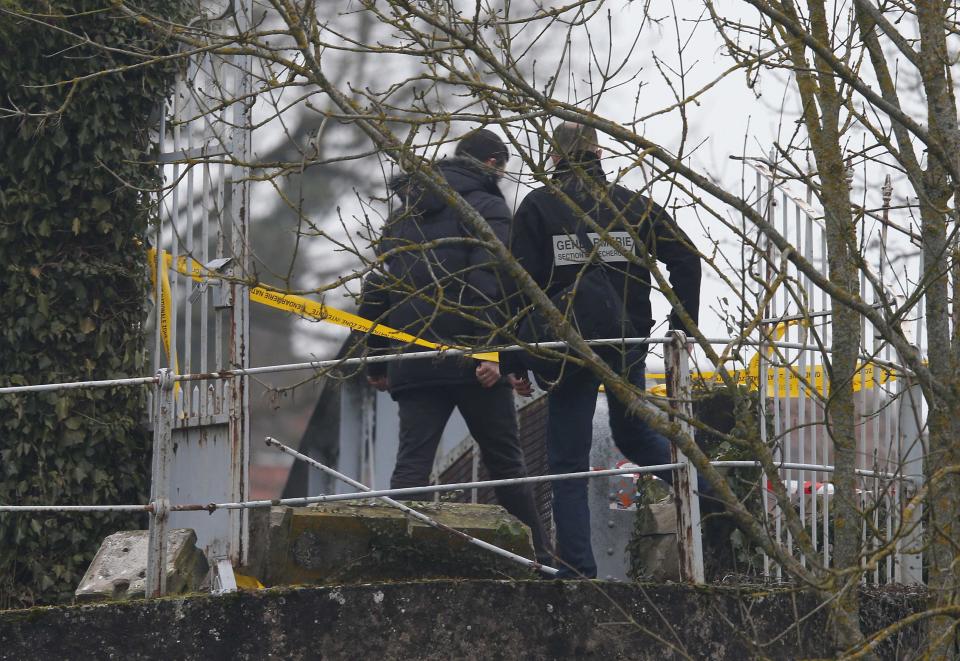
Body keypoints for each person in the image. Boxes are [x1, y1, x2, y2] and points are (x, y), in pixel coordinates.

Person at [504, 122, 703, 578]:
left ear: (552, 158)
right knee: (635, 436)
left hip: (567, 347)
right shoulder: (633, 204)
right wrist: (682, 325)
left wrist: (514, 358)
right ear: (597, 152)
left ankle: (577, 570)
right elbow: (686, 258)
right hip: (626, 341)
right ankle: (717, 495)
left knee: (567, 460)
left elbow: (516, 286)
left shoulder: (539, 207)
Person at [359, 128, 552, 566]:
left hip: (413, 360)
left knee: (411, 468)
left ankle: (391, 560)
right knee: (506, 465)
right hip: (472, 364)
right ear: (491, 164)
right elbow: (493, 284)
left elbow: (377, 290)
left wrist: (376, 358)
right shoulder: (486, 208)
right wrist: (491, 352)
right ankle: (541, 559)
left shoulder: (401, 218)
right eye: (502, 168)